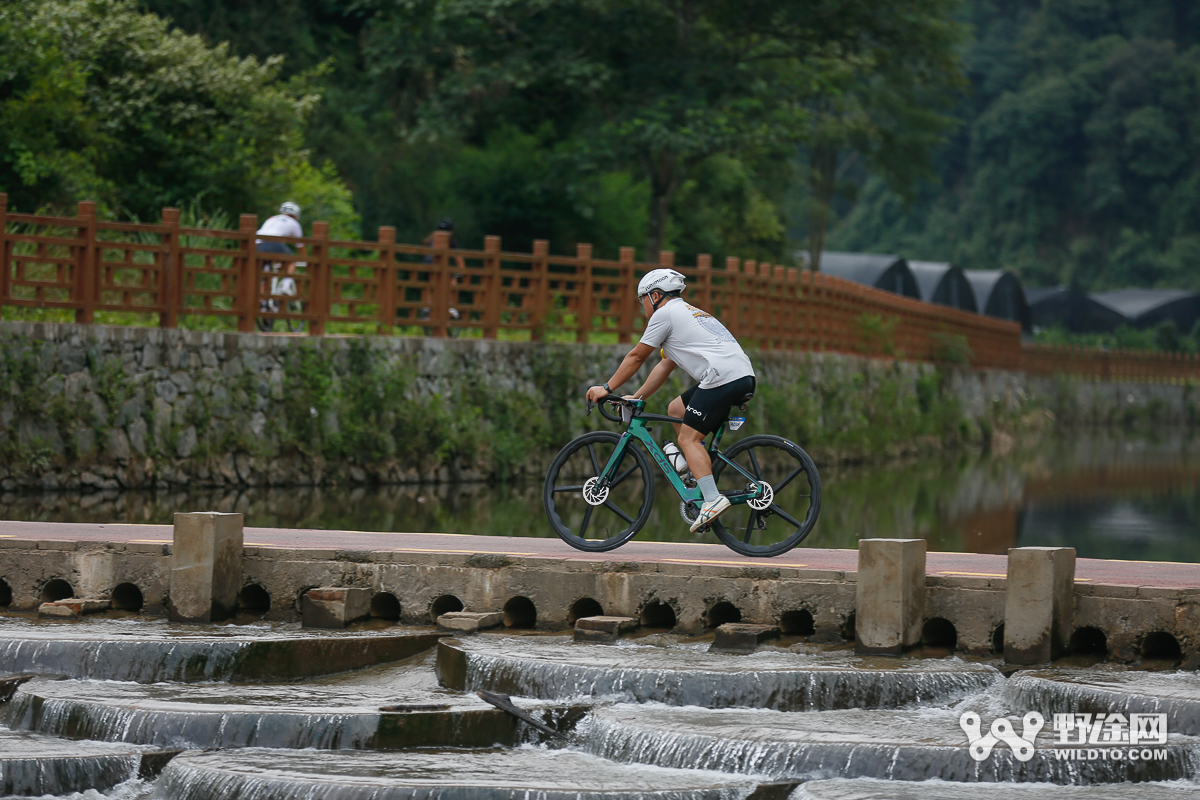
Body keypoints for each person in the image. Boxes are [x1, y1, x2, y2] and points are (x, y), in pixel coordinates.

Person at [586, 268, 757, 533]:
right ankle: (695, 475)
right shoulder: (687, 312)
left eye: (641, 298)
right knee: (676, 408)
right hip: (741, 376)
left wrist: (607, 387)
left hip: (721, 378)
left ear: (654, 295)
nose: (642, 304)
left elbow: (636, 357)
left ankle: (712, 499)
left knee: (688, 439)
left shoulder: (664, 314)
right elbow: (664, 366)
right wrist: (638, 397)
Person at [255, 202, 304, 317]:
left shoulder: (271, 219)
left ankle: (262, 304)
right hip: (274, 244)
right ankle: (286, 284)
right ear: (296, 215)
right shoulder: (294, 223)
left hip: (256, 245)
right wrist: (305, 259)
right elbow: (300, 246)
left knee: (264, 276)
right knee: (291, 261)